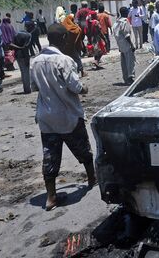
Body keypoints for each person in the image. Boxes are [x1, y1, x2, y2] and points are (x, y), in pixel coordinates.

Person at [30, 23, 95, 211]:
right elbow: (75, 86)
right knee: (83, 149)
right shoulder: (64, 60)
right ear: (64, 39)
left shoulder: (36, 61)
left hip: (46, 116)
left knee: (50, 156)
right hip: (67, 114)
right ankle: (92, 178)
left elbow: (35, 87)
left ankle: (50, 197)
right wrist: (85, 88)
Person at [113, 7, 136, 84]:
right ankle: (130, 77)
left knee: (124, 63)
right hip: (127, 45)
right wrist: (132, 45)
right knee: (130, 62)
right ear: (126, 12)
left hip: (121, 44)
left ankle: (125, 78)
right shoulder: (125, 22)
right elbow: (127, 35)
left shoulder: (117, 22)